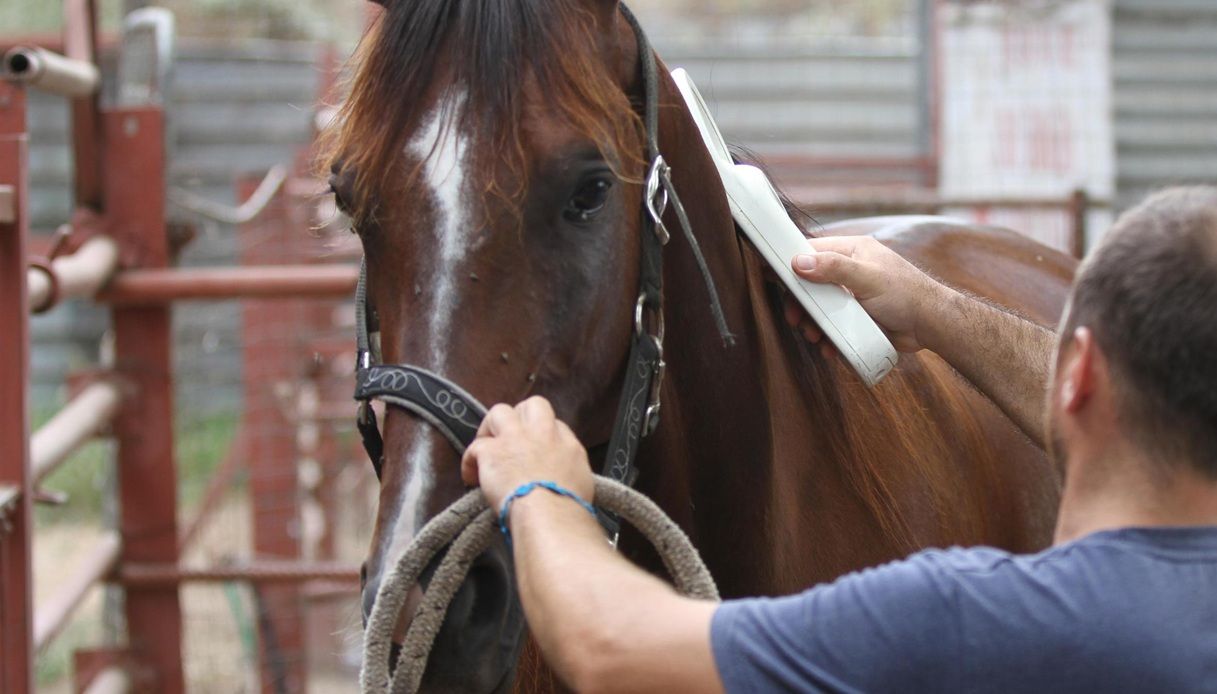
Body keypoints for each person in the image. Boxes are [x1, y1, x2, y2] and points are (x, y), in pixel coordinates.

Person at [460, 186, 1217, 693]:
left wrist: (540, 492)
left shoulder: (981, 617)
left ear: (1078, 373)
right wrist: (932, 309)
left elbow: (610, 647)